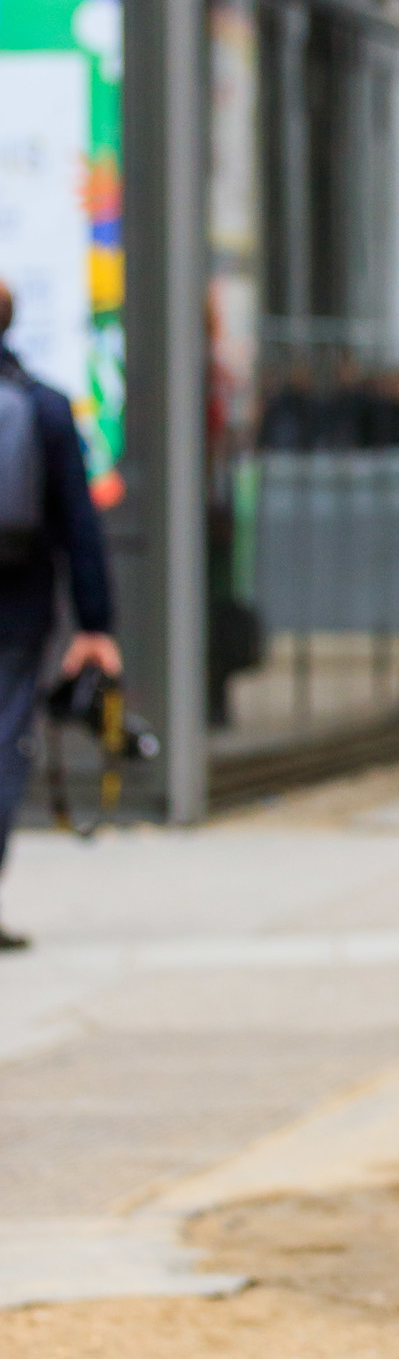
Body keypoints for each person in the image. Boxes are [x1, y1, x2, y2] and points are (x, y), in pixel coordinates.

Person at [0, 280, 121, 950]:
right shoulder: (43, 407)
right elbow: (80, 523)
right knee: (3, 749)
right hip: (18, 611)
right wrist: (96, 624)